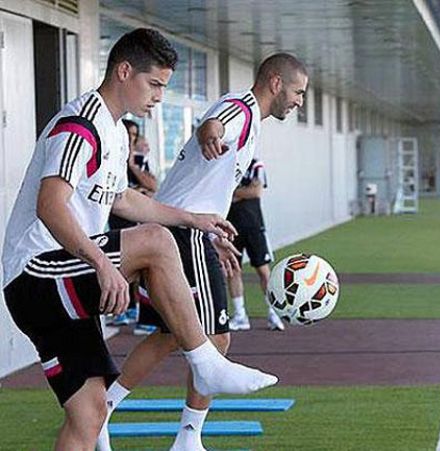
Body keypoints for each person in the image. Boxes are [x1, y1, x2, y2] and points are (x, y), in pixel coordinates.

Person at [0, 28, 276, 451]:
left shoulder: (112, 132)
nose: (160, 97)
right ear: (124, 71)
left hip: (55, 284)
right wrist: (102, 262)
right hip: (35, 273)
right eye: (155, 85)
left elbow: (125, 199)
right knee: (157, 241)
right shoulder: (81, 124)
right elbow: (50, 205)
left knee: (90, 414)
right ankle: (205, 361)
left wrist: (193, 219)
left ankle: (204, 360)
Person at [96, 53, 307, 451]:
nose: (299, 101)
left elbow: (208, 181)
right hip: (180, 233)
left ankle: (103, 409)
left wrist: (215, 235)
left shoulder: (248, 120)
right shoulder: (241, 108)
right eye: (298, 92)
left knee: (169, 336)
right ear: (276, 83)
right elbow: (213, 125)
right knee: (217, 338)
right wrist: (209, 130)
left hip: (183, 229)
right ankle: (188, 438)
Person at [109, 119, 159, 333]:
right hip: (113, 220)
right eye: (127, 134)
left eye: (133, 135)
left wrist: (132, 167)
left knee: (139, 266)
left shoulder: (137, 159)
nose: (130, 139)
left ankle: (140, 313)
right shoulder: (111, 157)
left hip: (134, 219)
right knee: (117, 266)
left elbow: (152, 185)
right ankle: (122, 309)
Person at [227, 156, 285, 331]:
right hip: (230, 226)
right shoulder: (225, 164)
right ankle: (240, 315)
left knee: (263, 270)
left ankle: (274, 314)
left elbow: (256, 191)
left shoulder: (255, 164)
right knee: (233, 270)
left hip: (253, 225)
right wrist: (242, 191)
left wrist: (233, 192)